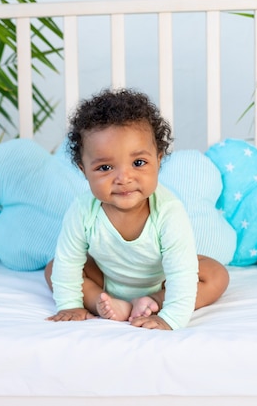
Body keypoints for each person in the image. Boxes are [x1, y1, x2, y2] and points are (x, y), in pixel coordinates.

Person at [45, 88, 229, 330]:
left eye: (138, 163)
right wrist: (69, 304)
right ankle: (101, 303)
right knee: (55, 267)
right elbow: (69, 261)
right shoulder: (82, 210)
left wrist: (170, 318)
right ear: (83, 170)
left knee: (216, 274)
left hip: (162, 281)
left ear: (159, 160)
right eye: (104, 168)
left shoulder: (168, 211)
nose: (124, 178)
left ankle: (154, 302)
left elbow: (181, 272)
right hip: (106, 278)